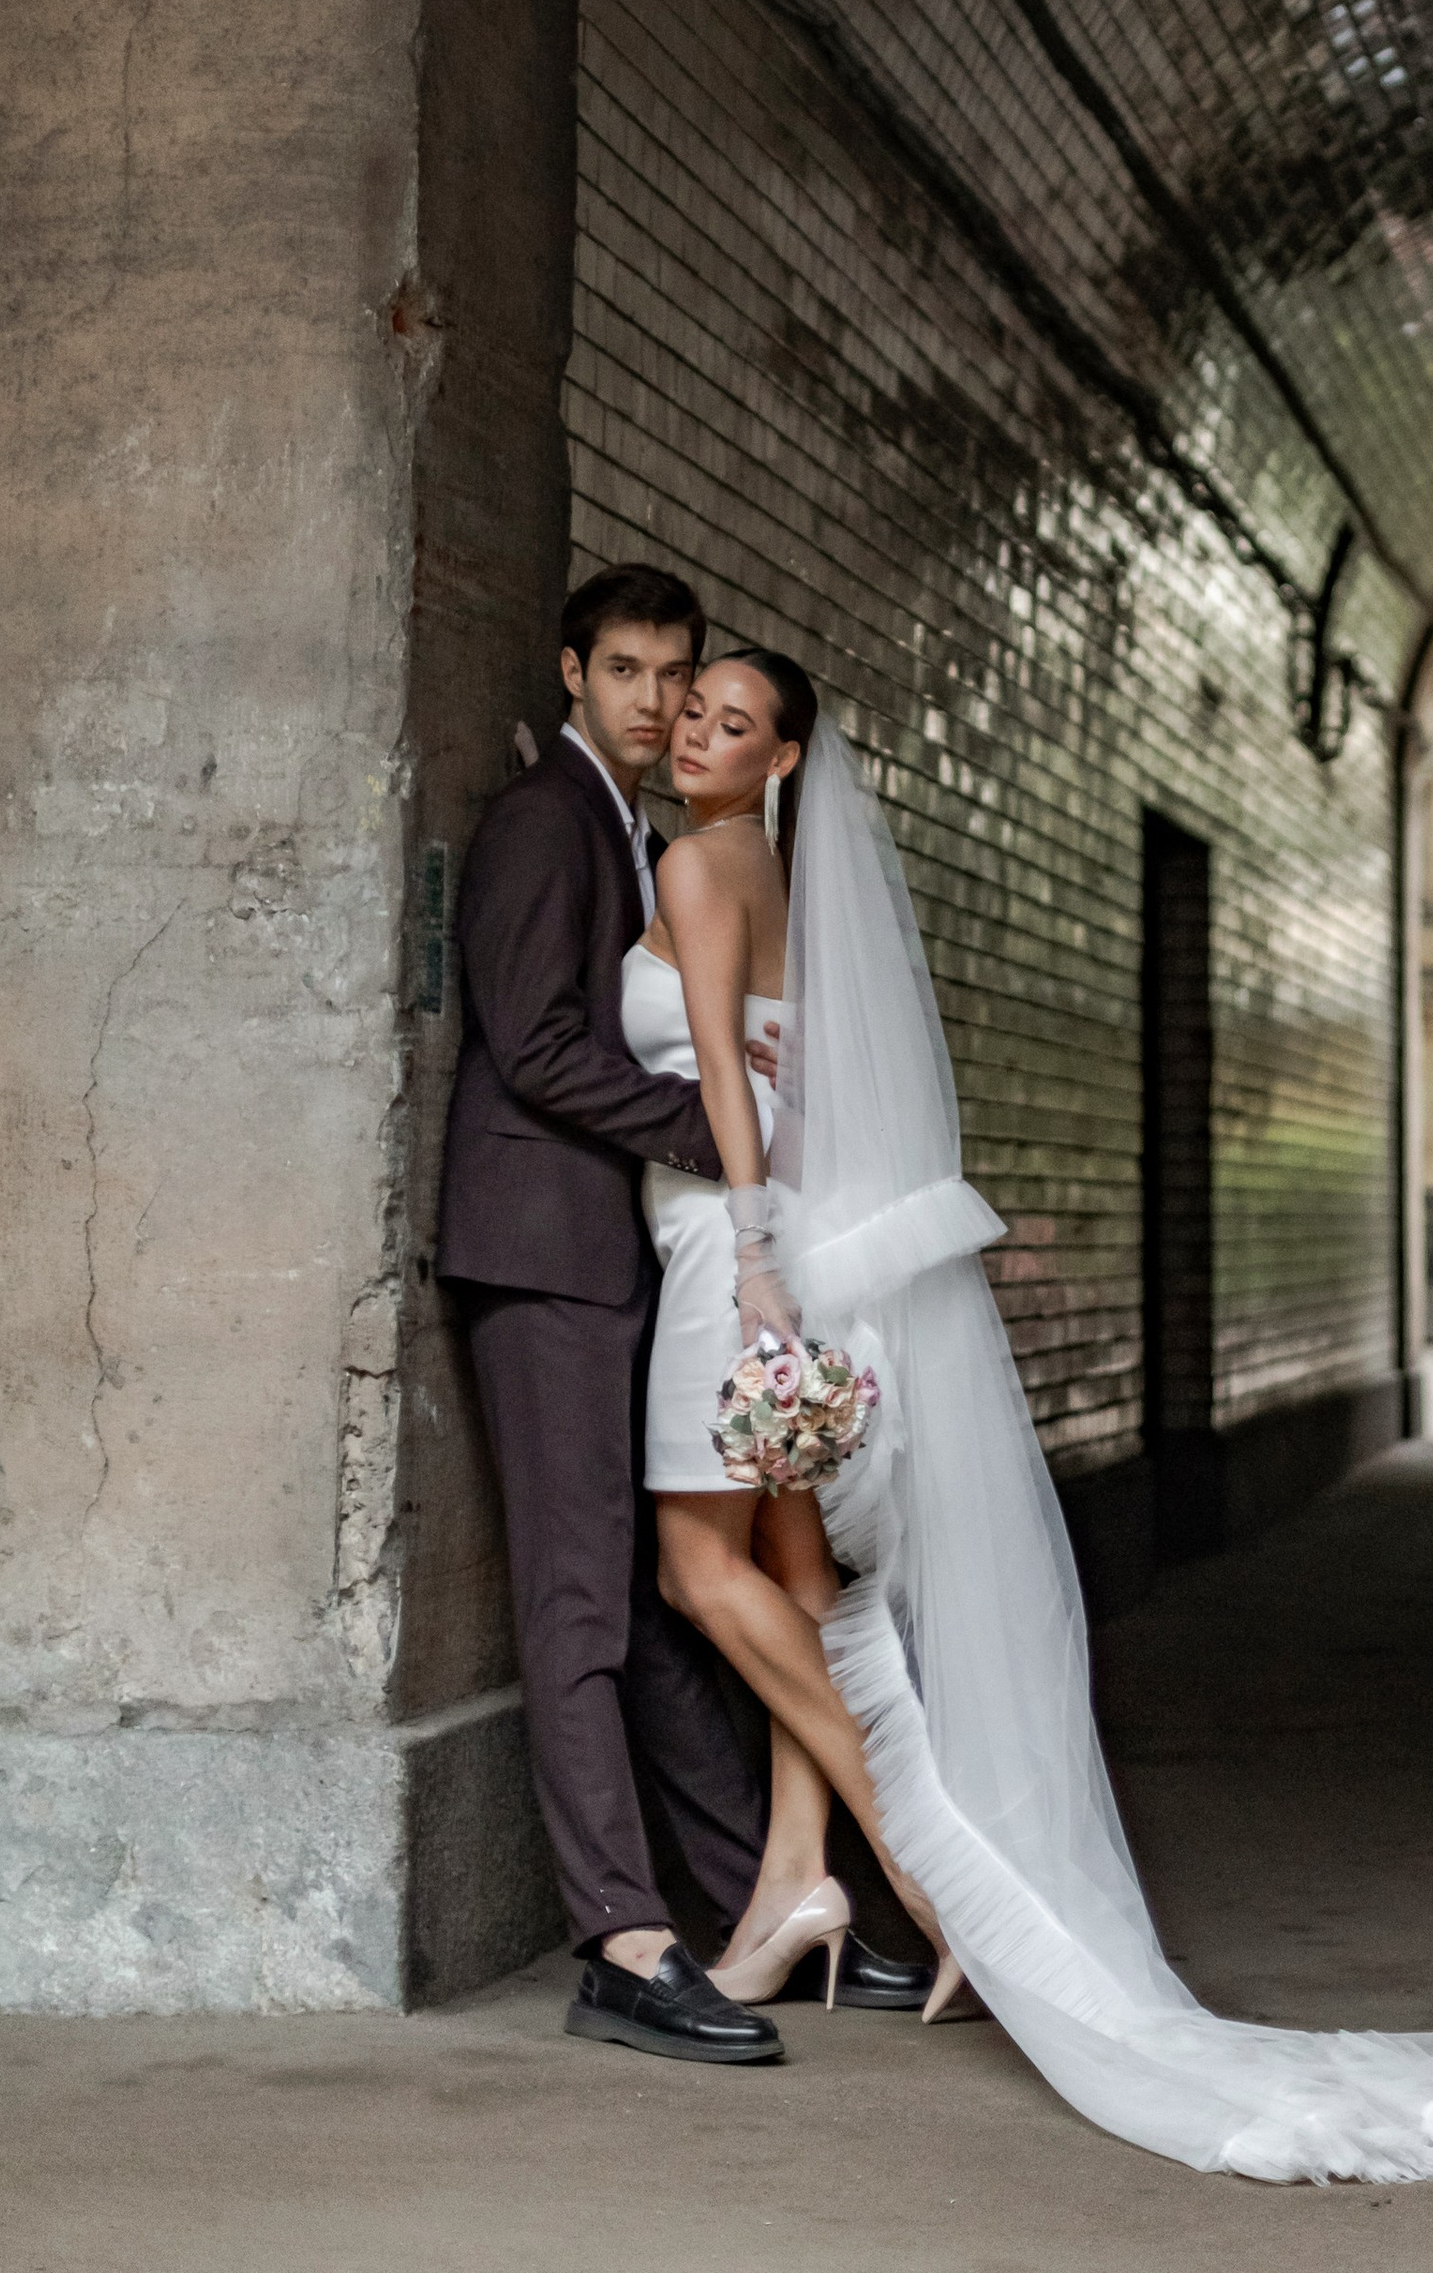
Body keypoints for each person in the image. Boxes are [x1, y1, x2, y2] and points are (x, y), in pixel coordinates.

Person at [638, 645, 1433, 2182]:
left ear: (786, 758)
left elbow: (717, 1074)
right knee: (810, 1580)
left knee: (705, 1571)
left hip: (725, 1253)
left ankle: (927, 1870)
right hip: (794, 1244)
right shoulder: (771, 868)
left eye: (729, 722)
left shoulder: (699, 865)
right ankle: (792, 1886)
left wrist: (755, 1259)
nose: (692, 730)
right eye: (687, 708)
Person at [435, 564, 929, 2067]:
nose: (657, 703)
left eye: (678, 676)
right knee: (591, 1603)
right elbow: (531, 1047)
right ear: (572, 670)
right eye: (631, 672)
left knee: (658, 1605)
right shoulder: (545, 821)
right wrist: (730, 1142)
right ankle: (626, 1945)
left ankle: (772, 1895)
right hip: (542, 1255)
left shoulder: (644, 832)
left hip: (619, 1258)